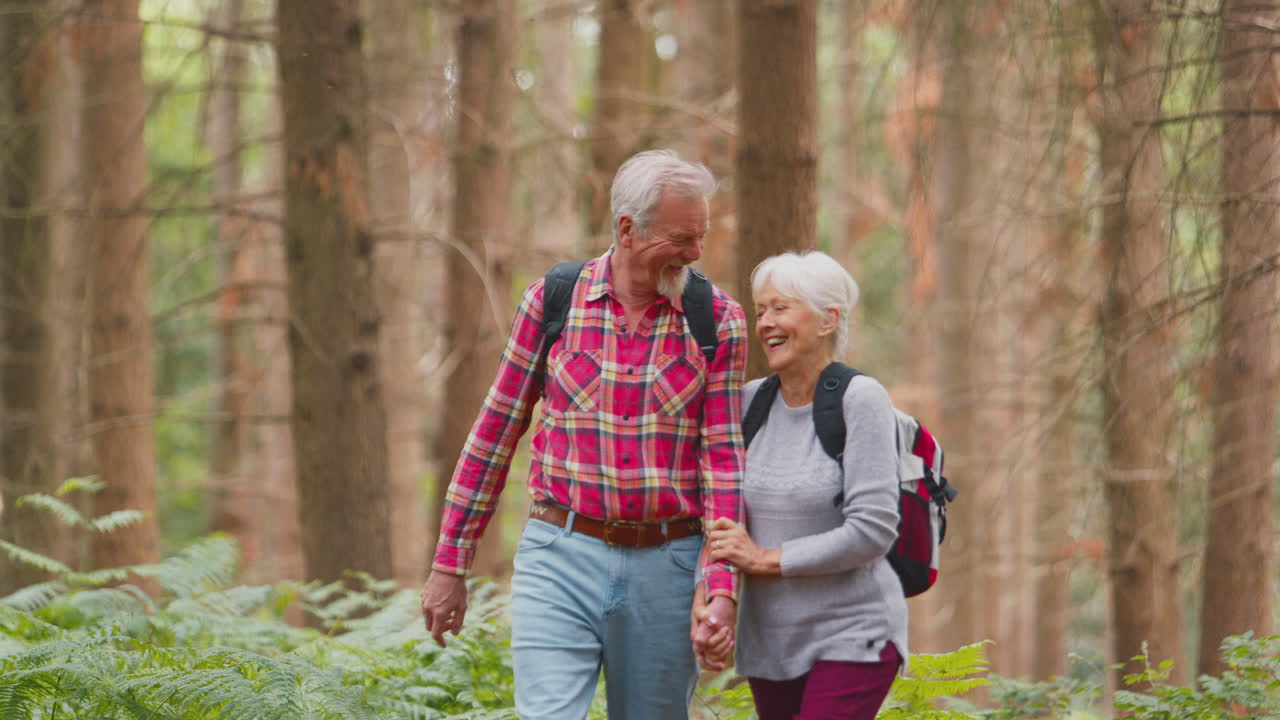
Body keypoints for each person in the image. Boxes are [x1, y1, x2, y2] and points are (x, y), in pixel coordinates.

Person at [420, 149, 747, 720]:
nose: (695, 253)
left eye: (701, 236)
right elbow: (495, 433)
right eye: (679, 238)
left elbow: (723, 461)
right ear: (627, 229)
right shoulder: (553, 301)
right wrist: (451, 562)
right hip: (559, 553)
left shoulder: (717, 321)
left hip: (668, 565)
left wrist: (720, 587)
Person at [699, 250, 906, 720]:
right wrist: (710, 601)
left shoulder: (861, 399)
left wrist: (765, 560)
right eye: (760, 311)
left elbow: (873, 530)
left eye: (781, 307)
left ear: (828, 319)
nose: (765, 323)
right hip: (770, 645)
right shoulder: (748, 403)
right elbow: (721, 518)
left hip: (853, 636)